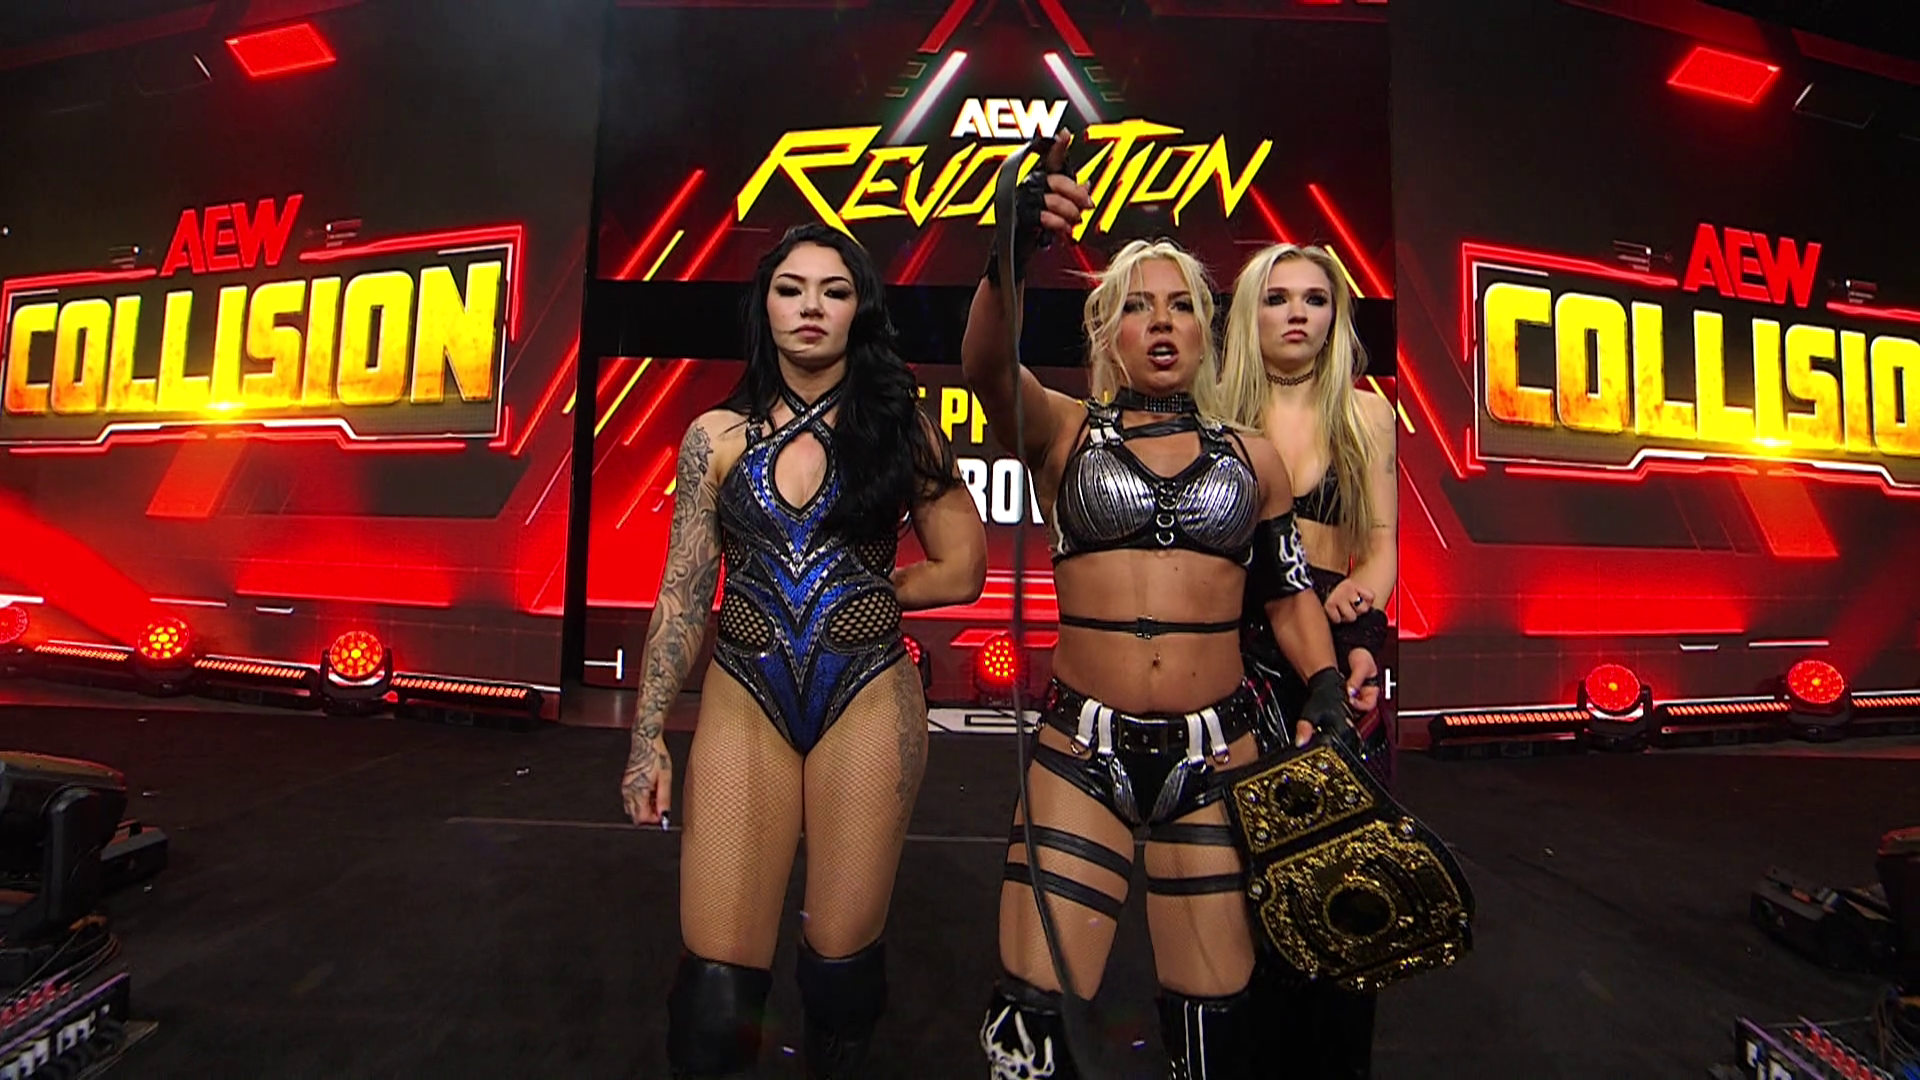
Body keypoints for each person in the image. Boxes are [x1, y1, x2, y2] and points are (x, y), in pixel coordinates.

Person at [961, 141, 1352, 1078]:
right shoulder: (1063, 432)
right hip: (1080, 749)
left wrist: (1327, 685)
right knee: (1031, 1015)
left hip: (1216, 756)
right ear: (1107, 332)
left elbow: (1288, 590)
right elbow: (984, 367)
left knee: (1216, 1021)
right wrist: (1010, 251)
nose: (1163, 322)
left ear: (1208, 331)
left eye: (1181, 305)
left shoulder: (1253, 457)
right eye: (1138, 306)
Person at [619, 223, 989, 1079]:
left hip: (867, 693)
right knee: (714, 1003)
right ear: (766, 306)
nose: (811, 307)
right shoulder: (715, 437)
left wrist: (873, 593)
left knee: (838, 981)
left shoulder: (901, 429)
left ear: (861, 309)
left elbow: (964, 567)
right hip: (745, 694)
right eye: (791, 289)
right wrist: (645, 739)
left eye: (834, 289)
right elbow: (683, 594)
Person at [1224, 242, 1399, 1078]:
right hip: (1233, 645)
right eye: (1278, 297)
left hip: (1335, 638)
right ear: (1248, 313)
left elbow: (1383, 548)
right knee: (1238, 875)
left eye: (1315, 299)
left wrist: (1359, 606)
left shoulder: (1368, 416)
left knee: (1342, 879)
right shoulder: (1211, 412)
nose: (1297, 313)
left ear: (1336, 317)